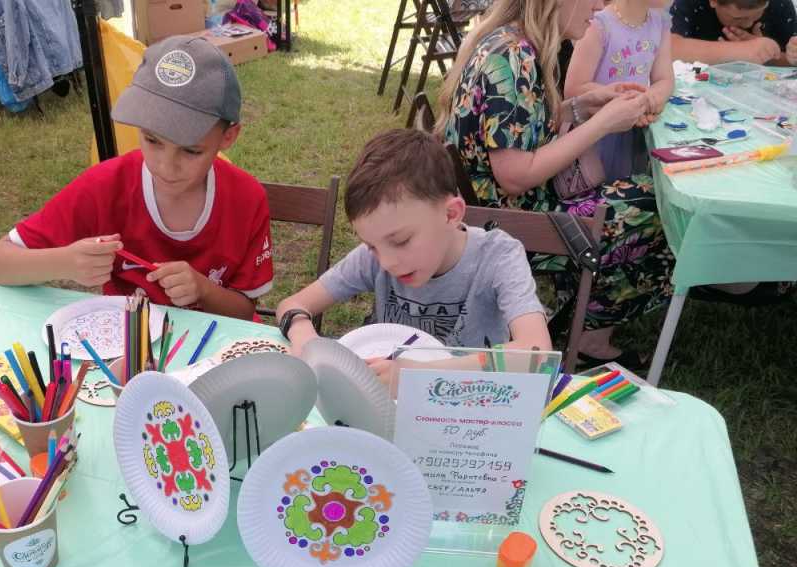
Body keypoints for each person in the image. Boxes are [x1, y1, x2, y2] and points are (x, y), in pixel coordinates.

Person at [437, 0, 674, 366]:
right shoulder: (513, 57)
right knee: (660, 209)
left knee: (644, 194)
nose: (599, 8)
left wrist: (581, 108)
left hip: (497, 210)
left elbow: (520, 127)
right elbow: (515, 176)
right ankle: (584, 324)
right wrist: (603, 123)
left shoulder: (509, 43)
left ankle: (575, 311)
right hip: (508, 225)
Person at [0, 35, 273, 321]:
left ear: (229, 136)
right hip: (131, 352)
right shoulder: (106, 185)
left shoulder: (246, 197)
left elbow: (245, 310)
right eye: (152, 140)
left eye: (191, 151)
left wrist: (204, 290)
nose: (166, 167)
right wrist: (65, 262)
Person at [276, 129, 551, 389]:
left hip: (466, 415)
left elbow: (537, 354)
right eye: (371, 246)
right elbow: (293, 304)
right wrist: (305, 337)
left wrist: (415, 376)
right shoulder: (376, 257)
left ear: (451, 214)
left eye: (401, 241)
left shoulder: (498, 256)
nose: (386, 262)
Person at [565, 0, 674, 180]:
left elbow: (665, 79)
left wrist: (650, 100)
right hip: (596, 136)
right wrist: (625, 101)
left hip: (634, 131)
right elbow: (573, 90)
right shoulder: (598, 25)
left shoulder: (660, 23)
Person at [670, 0, 797, 64]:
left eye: (758, 14)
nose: (748, 24)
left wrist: (766, 54)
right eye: (738, 18)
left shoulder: (779, 3)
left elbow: (790, 62)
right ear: (713, 1)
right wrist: (741, 50)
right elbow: (669, 49)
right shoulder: (691, 3)